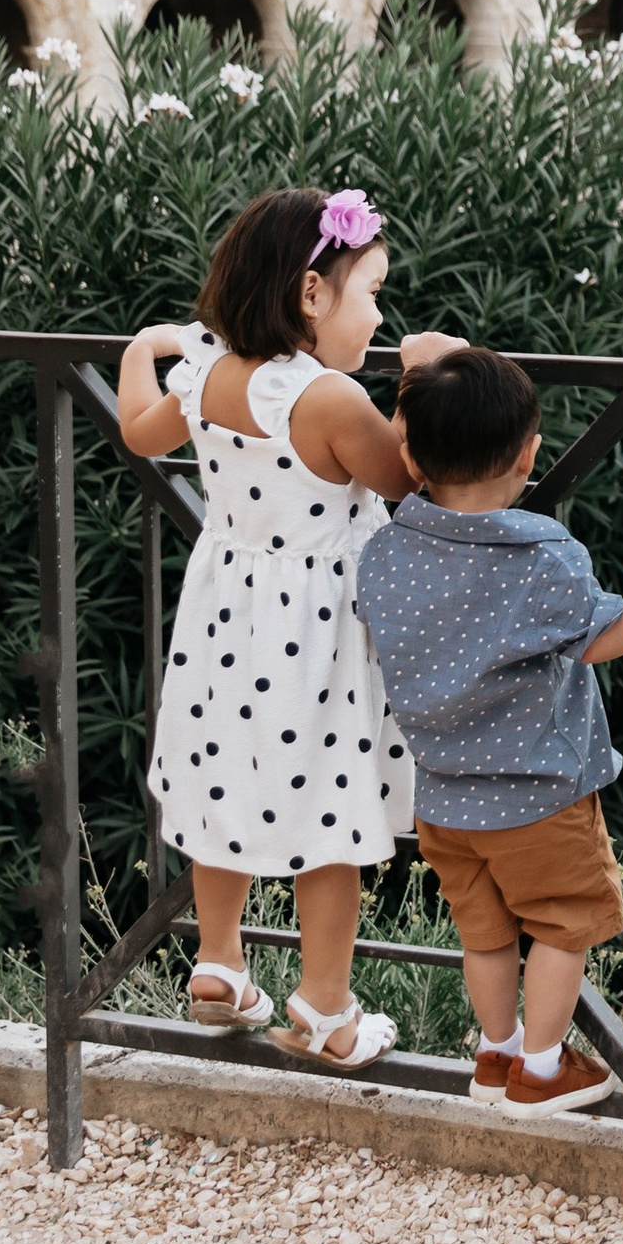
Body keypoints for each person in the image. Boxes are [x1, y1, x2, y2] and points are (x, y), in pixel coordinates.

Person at [119, 184, 422, 1069]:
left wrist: (147, 345)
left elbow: (141, 433)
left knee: (224, 782)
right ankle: (327, 1009)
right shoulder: (326, 399)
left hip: (226, 616)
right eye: (370, 293)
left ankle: (219, 963)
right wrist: (424, 374)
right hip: (318, 633)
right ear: (311, 296)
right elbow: (402, 475)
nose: (378, 315)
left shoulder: (207, 374)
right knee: (330, 810)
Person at [356, 343, 623, 1119]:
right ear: (532, 453)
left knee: (485, 936)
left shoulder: (388, 550)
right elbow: (601, 635)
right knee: (563, 928)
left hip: (441, 798)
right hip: (540, 799)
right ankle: (542, 1069)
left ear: (407, 454)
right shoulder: (542, 555)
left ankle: (494, 1051)